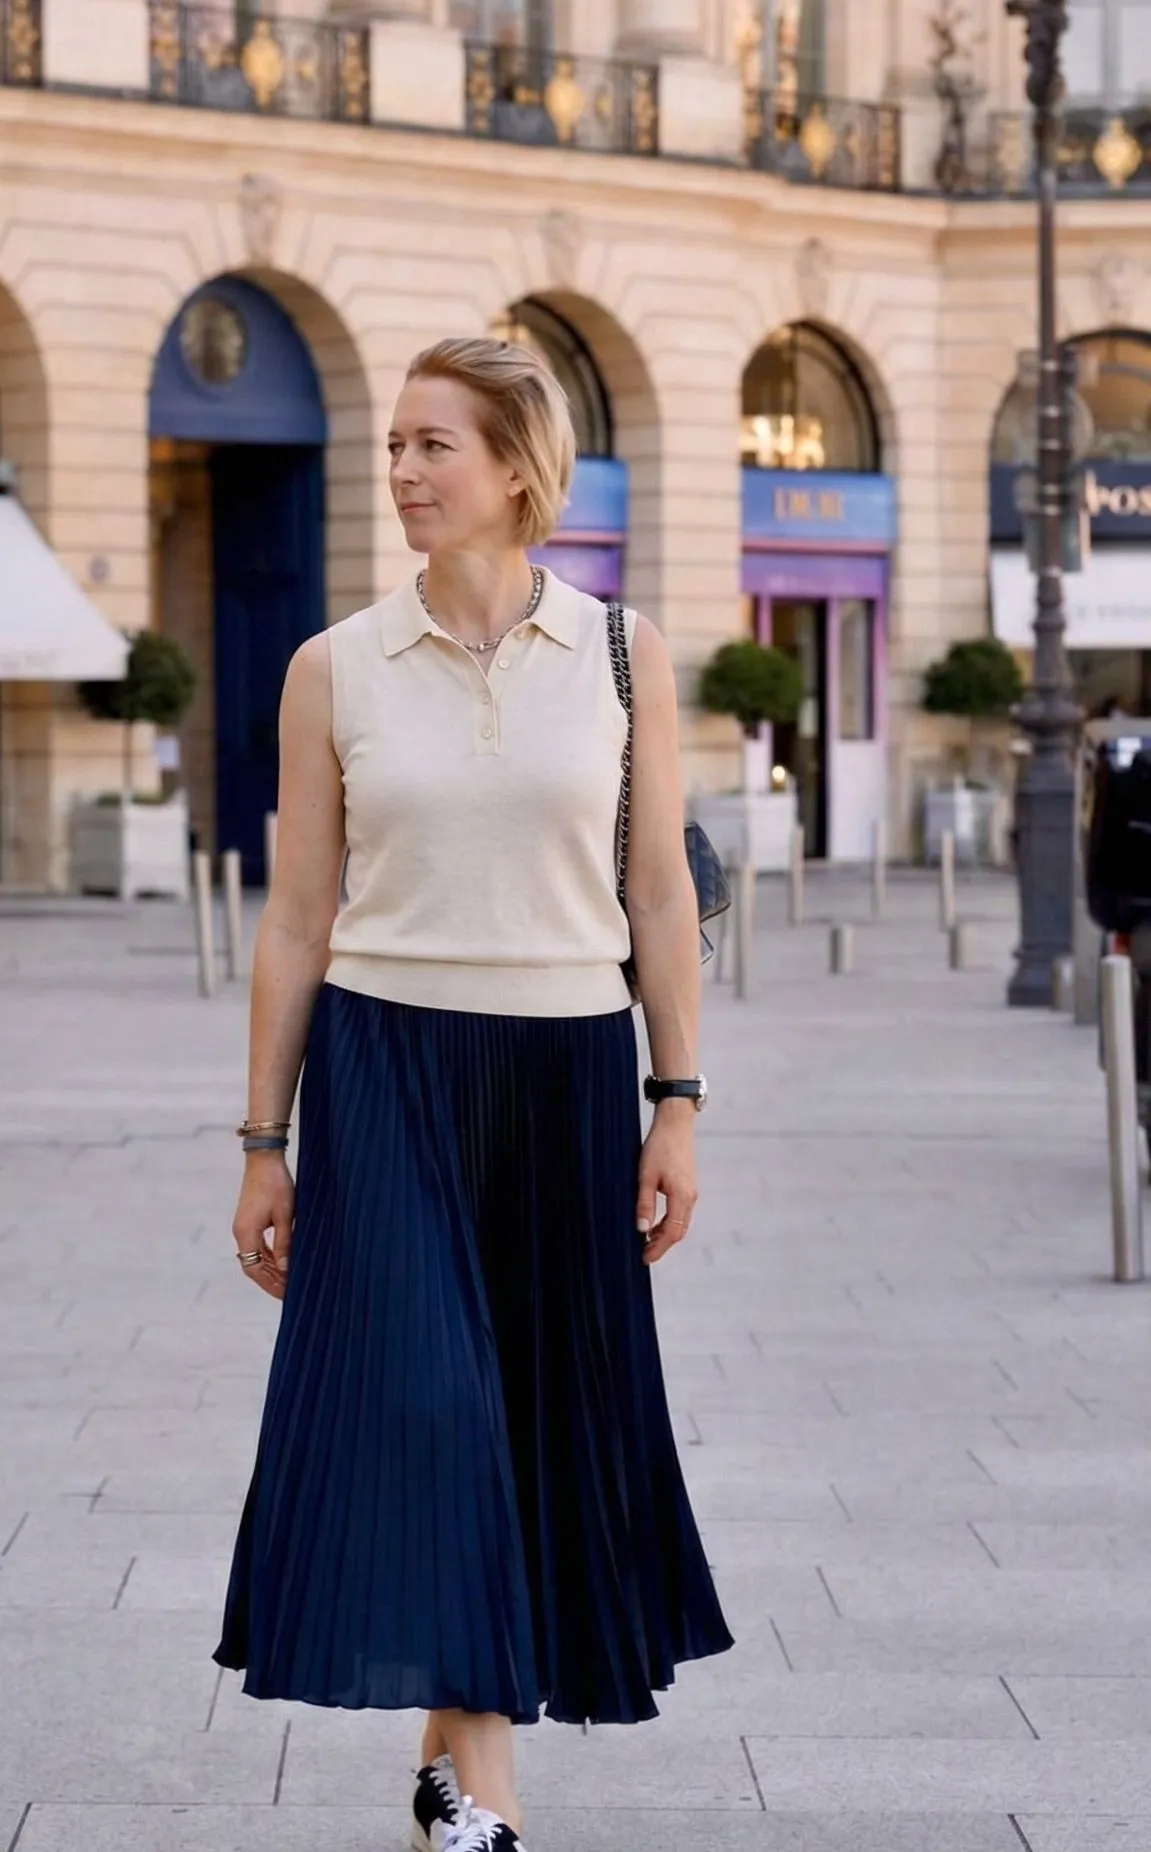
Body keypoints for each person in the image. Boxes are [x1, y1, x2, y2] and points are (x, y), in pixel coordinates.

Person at [213, 336, 734, 1852]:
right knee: (432, 1410)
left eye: (433, 444)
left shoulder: (625, 653)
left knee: (526, 1416)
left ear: (517, 465)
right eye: (393, 444)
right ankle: (485, 1792)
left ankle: (452, 1769)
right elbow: (297, 918)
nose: (402, 471)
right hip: (383, 1072)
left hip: (566, 1072)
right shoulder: (334, 666)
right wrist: (262, 1142)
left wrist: (678, 1100)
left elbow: (654, 896)